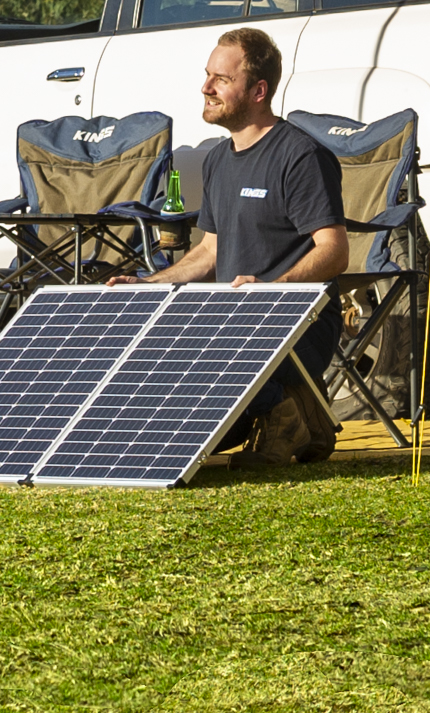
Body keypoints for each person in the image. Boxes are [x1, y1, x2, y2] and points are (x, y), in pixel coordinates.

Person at [115, 26, 347, 460]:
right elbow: (209, 252)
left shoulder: (301, 157)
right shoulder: (219, 160)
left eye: (221, 79)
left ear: (259, 90)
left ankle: (283, 406)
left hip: (294, 322)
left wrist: (272, 289)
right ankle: (289, 407)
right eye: (207, 76)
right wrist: (149, 285)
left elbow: (334, 251)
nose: (206, 88)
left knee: (187, 374)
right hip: (231, 324)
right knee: (172, 432)